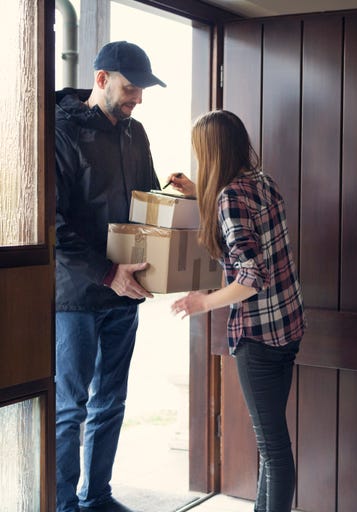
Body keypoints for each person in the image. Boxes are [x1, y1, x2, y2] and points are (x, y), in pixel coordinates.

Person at [169, 110, 305, 512]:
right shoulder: (262, 183)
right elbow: (246, 222)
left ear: (212, 152)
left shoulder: (230, 198)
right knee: (271, 446)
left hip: (259, 336)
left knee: (273, 449)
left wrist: (202, 303)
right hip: (289, 325)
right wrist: (198, 191)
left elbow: (250, 277)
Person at [54, 41, 165, 512]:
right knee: (69, 408)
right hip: (77, 296)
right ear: (101, 79)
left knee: (111, 402)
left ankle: (96, 496)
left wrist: (172, 200)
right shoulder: (60, 132)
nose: (137, 98)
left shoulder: (135, 134)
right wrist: (106, 273)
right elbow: (50, 225)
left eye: (141, 90)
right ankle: (61, 503)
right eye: (130, 87)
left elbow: (148, 200)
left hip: (127, 293)